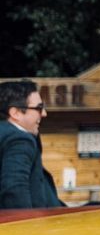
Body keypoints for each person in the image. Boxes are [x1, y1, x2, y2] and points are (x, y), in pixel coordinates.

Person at [0, 81, 62, 210]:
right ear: (15, 113)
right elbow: (14, 189)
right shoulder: (19, 139)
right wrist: (27, 226)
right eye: (39, 108)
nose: (44, 113)